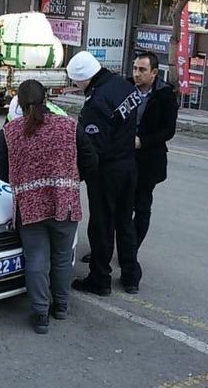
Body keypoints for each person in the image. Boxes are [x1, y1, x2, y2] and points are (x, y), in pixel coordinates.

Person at [0, 80, 98, 334]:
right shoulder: (69, 127)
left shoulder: (11, 131)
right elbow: (91, 162)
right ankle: (61, 306)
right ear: (47, 98)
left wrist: (22, 180)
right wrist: (70, 180)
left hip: (29, 207)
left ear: (18, 100)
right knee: (62, 258)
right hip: (65, 203)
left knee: (36, 259)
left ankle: (40, 315)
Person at [66, 51, 143, 296]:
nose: (76, 86)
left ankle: (100, 279)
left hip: (107, 171)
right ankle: (131, 276)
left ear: (83, 78)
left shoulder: (96, 103)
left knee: (101, 225)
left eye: (75, 82)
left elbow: (93, 149)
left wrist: (77, 174)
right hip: (129, 165)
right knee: (125, 222)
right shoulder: (122, 84)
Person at [130, 51, 178, 253]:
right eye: (134, 69)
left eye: (142, 70)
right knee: (116, 208)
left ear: (154, 72)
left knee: (141, 207)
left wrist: (143, 142)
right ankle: (106, 248)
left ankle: (131, 250)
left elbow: (168, 131)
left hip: (148, 161)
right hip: (123, 159)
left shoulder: (165, 95)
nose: (137, 74)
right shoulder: (124, 88)